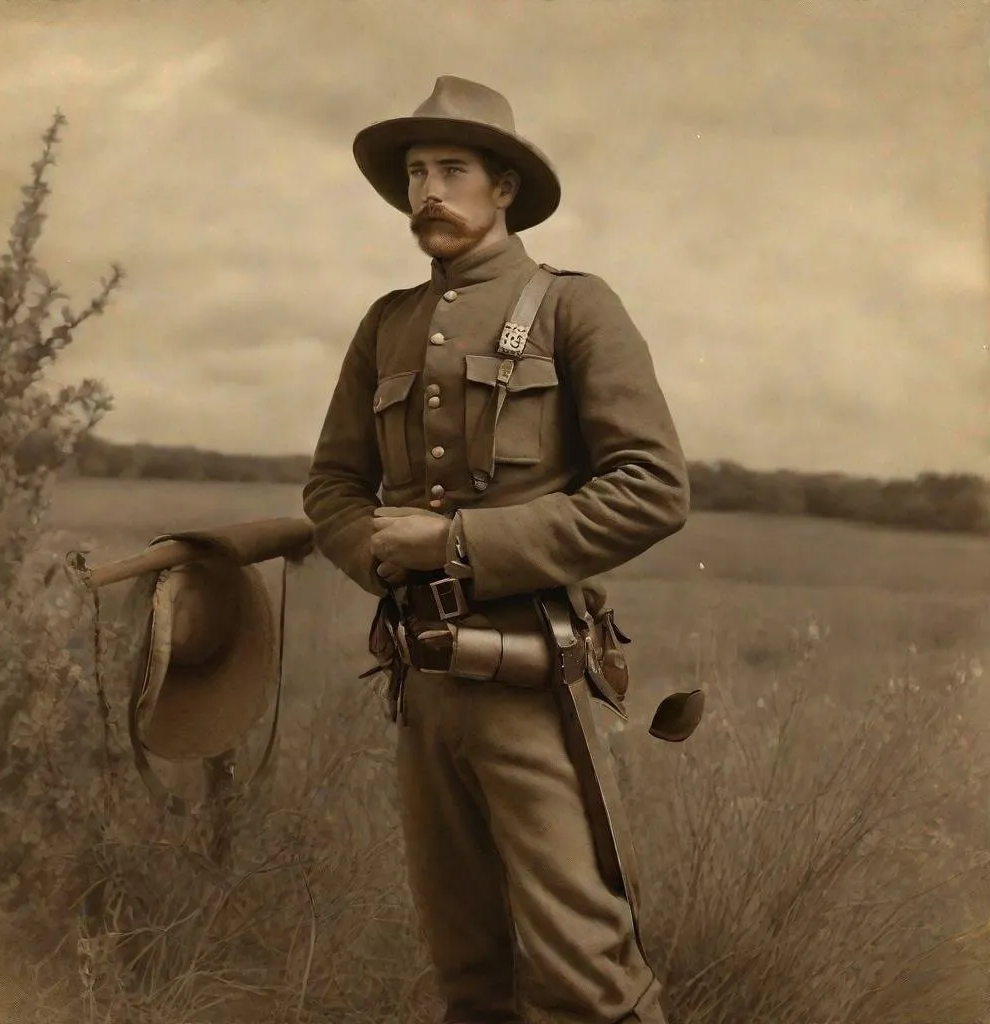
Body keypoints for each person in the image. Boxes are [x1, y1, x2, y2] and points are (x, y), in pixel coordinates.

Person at [302, 75, 690, 1024]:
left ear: (504, 187)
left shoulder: (573, 308)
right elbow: (331, 489)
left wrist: (459, 541)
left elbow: (653, 489)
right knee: (467, 972)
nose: (428, 190)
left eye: (453, 169)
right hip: (421, 680)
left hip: (531, 675)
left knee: (583, 971)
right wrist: (376, 549)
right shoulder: (387, 323)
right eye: (415, 172)